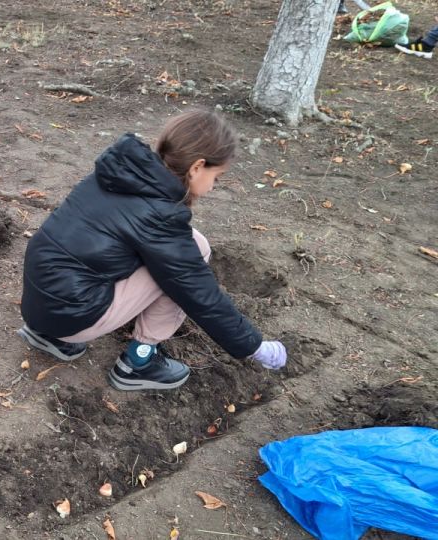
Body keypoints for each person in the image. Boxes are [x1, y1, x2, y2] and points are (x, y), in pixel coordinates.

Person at [17, 110, 287, 391]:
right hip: (72, 315)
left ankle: (49, 336)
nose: (213, 186)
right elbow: (199, 293)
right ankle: (139, 362)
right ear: (197, 167)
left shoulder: (121, 171)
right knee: (190, 261)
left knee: (185, 250)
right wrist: (253, 346)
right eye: (216, 177)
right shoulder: (160, 215)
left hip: (39, 302)